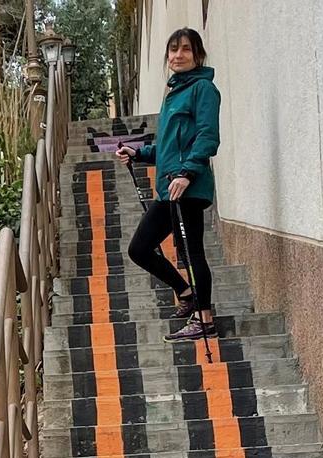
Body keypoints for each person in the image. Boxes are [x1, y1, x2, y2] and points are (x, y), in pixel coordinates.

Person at [115, 27, 221, 342]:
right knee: (140, 248)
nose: (177, 55)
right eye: (173, 50)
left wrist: (187, 173)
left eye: (185, 49)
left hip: (188, 186)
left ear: (198, 55)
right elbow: (168, 146)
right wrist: (139, 153)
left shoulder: (203, 89)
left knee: (192, 253)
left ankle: (205, 320)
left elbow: (207, 136)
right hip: (169, 188)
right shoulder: (174, 92)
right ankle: (185, 293)